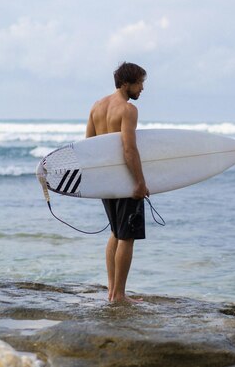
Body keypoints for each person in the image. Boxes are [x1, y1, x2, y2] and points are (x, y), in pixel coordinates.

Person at [86, 62, 149, 303]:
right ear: (126, 83)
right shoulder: (128, 110)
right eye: (139, 83)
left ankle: (112, 292)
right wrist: (140, 182)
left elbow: (88, 146)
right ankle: (119, 295)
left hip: (107, 181)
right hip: (125, 182)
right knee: (126, 237)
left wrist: (96, 180)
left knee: (115, 231)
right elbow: (129, 150)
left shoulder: (96, 107)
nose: (142, 88)